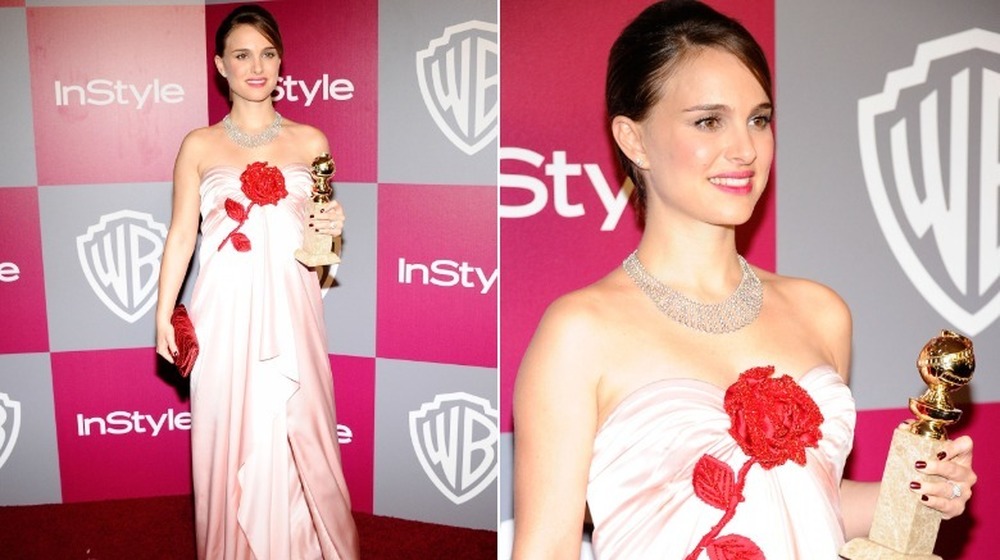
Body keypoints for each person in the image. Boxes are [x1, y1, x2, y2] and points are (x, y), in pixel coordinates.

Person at [511, 1, 977, 558]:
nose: (746, 149)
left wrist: (914, 492)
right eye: (709, 121)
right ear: (634, 141)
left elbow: (807, 502)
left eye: (758, 118)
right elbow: (547, 548)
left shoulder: (820, 312)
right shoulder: (580, 332)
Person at [155, 5, 359, 559]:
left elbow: (320, 248)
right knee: (229, 435)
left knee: (305, 428)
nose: (256, 66)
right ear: (220, 65)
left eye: (267, 54)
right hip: (223, 312)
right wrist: (162, 314)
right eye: (242, 55)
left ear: (280, 63)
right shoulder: (198, 145)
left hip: (293, 309)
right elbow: (180, 236)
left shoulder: (311, 140)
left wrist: (333, 233)